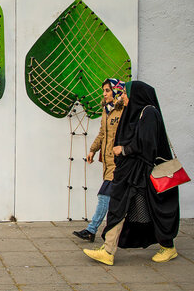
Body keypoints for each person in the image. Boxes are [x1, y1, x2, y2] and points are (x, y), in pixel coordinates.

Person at [83, 81, 180, 266]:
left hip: (146, 174)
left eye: (125, 94)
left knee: (151, 211)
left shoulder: (149, 113)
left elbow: (148, 144)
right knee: (119, 207)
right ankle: (108, 250)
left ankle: (168, 247)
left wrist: (124, 150)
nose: (122, 97)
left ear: (137, 95)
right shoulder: (134, 113)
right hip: (133, 173)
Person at [73, 79, 125, 242]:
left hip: (119, 162)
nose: (104, 94)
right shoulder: (106, 110)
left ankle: (91, 230)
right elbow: (103, 133)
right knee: (114, 198)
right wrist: (92, 150)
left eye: (108, 90)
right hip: (108, 161)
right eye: (103, 90)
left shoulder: (124, 111)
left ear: (116, 91)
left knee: (104, 195)